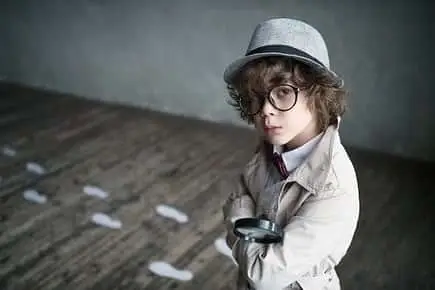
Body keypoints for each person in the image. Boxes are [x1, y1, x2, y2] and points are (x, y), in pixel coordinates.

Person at [221, 18, 360, 290]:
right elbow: (242, 191)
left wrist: (239, 219)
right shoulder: (273, 144)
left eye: (283, 92)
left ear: (319, 94)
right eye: (256, 97)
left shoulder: (334, 185)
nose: (265, 110)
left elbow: (264, 275)